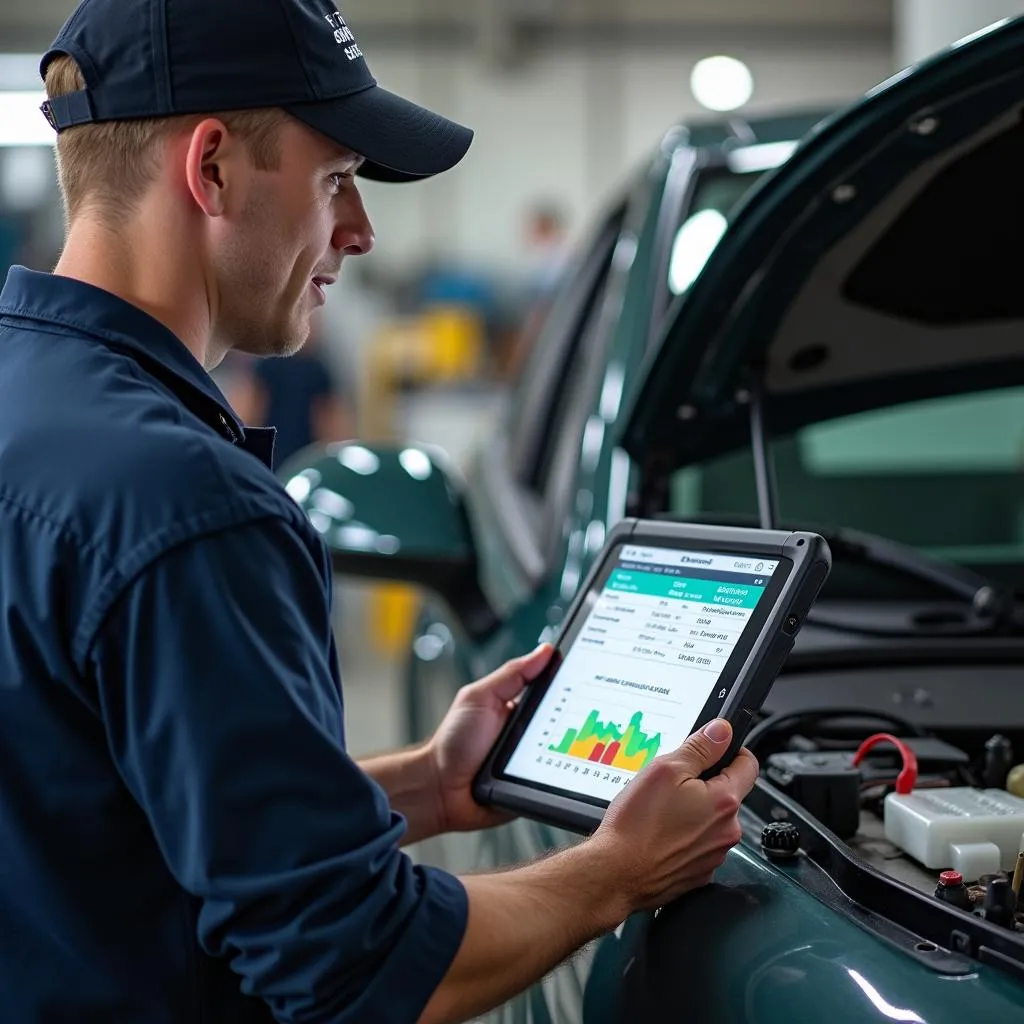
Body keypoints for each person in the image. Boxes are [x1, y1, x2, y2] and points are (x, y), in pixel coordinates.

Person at [0, 2, 759, 1023]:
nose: (358, 231)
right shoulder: (185, 503)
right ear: (211, 167)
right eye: (335, 179)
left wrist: (428, 786)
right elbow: (356, 966)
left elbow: (101, 813)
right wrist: (618, 870)